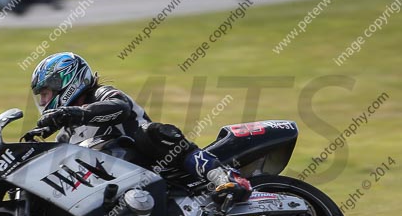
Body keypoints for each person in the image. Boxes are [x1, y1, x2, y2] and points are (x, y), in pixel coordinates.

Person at [30, 52, 252, 203]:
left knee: (152, 133)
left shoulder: (103, 94)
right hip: (115, 189)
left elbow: (120, 108)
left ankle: (224, 177)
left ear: (66, 82)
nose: (43, 101)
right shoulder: (66, 135)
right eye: (41, 96)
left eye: (46, 92)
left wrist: (73, 113)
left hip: (153, 163)